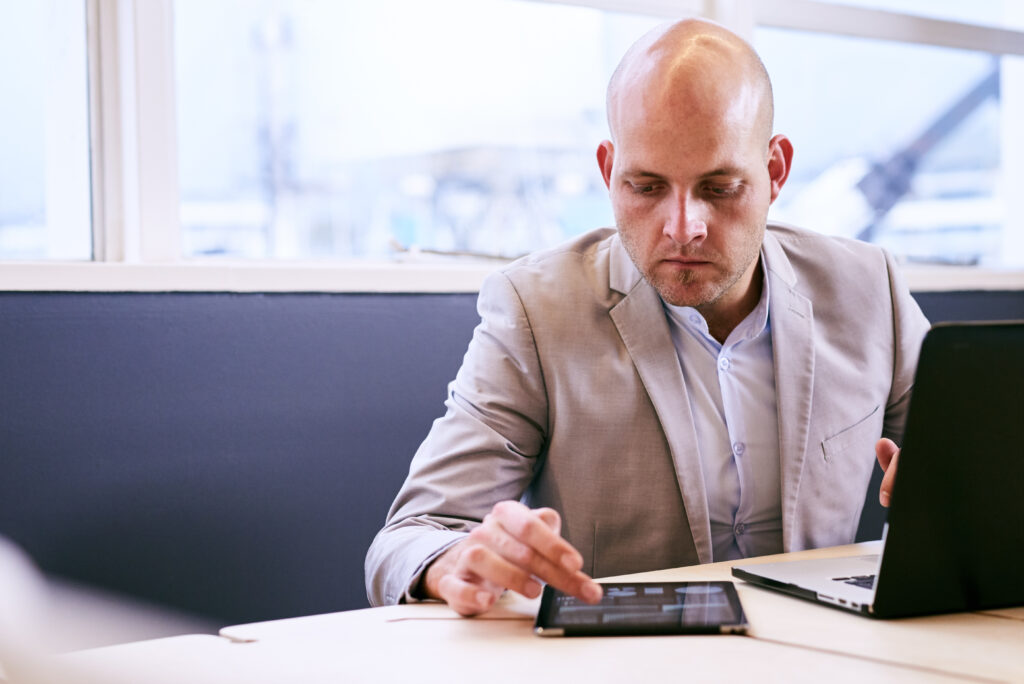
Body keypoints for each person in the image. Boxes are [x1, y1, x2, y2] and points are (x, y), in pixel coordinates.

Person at [365, 18, 930, 616]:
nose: (682, 226)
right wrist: (458, 561)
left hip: (830, 660)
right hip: (627, 664)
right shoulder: (535, 309)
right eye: (646, 186)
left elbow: (983, 468)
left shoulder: (870, 290)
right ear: (609, 172)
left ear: (775, 171)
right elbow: (407, 539)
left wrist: (959, 486)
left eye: (720, 187)